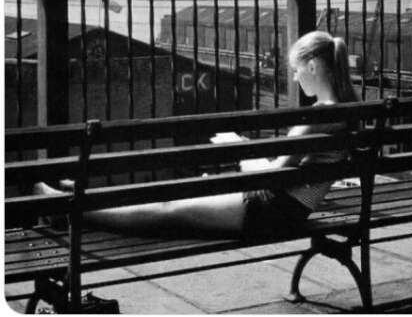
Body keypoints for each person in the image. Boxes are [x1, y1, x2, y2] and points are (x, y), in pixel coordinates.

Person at [35, 31, 359, 239]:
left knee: (167, 208)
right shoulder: (345, 110)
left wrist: (242, 155)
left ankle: (74, 208)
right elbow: (295, 171)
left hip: (270, 212)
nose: (294, 77)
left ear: (313, 66)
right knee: (168, 202)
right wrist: (249, 151)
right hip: (287, 210)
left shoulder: (319, 115)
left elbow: (275, 176)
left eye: (296, 69)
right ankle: (79, 200)